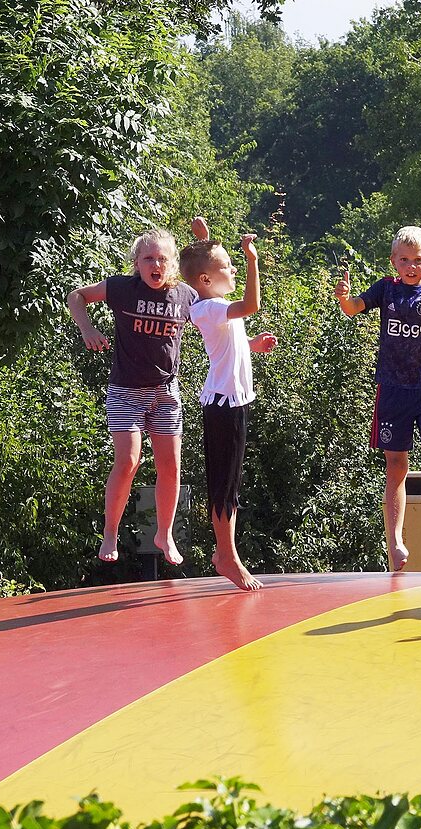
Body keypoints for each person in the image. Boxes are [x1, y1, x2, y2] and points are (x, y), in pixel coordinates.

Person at [334, 226, 421, 570]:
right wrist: (344, 296)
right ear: (394, 261)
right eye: (404, 260)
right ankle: (395, 542)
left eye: (417, 260)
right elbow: (352, 309)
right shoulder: (386, 289)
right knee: (396, 464)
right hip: (392, 389)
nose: (410, 266)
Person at [67, 229, 196, 565]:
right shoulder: (122, 288)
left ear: (172, 264)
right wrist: (87, 328)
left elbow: (215, 324)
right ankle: (110, 532)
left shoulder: (186, 295)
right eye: (148, 258)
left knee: (171, 466)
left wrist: (249, 343)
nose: (155, 264)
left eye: (162, 258)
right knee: (128, 461)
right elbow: (76, 296)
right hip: (126, 392)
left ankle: (164, 534)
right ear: (137, 263)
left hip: (166, 393)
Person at [181, 219, 278, 591]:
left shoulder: (216, 306)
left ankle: (226, 553)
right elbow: (251, 304)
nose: (234, 268)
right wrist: (251, 258)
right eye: (228, 267)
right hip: (223, 404)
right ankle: (227, 555)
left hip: (233, 401)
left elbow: (229, 342)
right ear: (206, 281)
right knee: (224, 484)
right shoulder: (209, 309)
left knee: (231, 482)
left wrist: (252, 345)